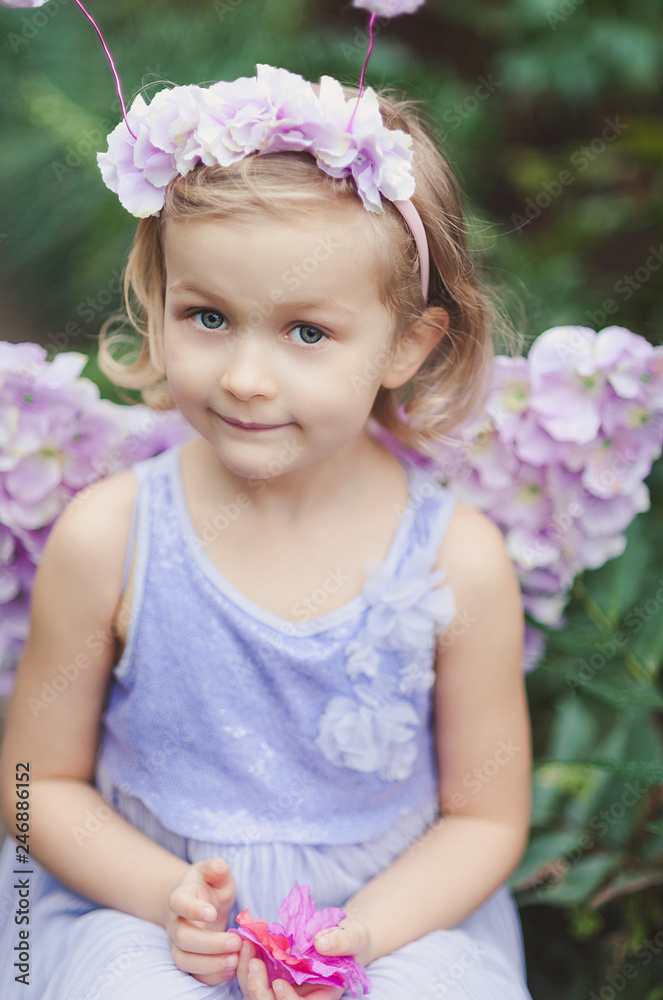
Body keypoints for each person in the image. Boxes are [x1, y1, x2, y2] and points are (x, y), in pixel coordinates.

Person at [0, 62, 533, 999]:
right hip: (142, 906)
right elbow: (33, 788)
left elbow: (484, 819)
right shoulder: (112, 536)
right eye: (207, 316)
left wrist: (358, 935)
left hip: (389, 915)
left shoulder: (457, 558)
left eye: (305, 332)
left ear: (405, 343)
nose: (246, 376)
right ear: (157, 311)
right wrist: (168, 896)